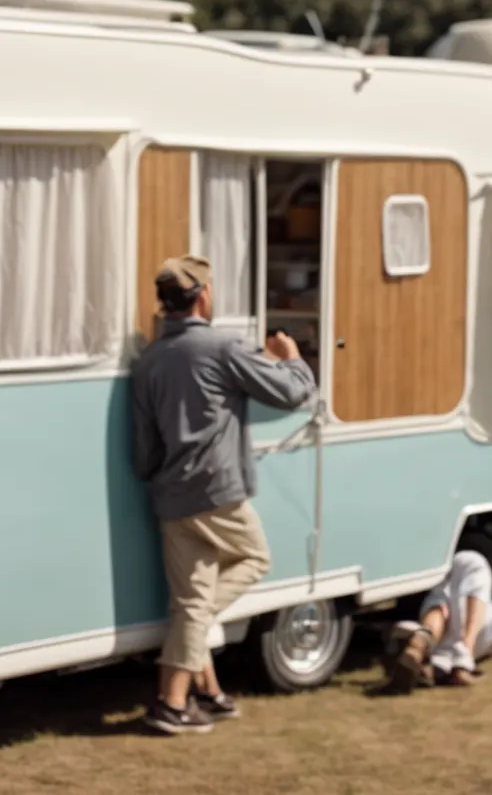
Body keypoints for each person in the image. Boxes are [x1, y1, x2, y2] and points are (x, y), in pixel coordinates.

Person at [130, 255, 316, 735]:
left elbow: (145, 444)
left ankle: (187, 699)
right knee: (254, 560)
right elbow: (293, 393)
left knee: (192, 600)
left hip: (170, 495)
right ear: (204, 296)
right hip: (217, 492)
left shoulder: (149, 359)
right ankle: (178, 696)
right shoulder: (222, 347)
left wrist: (157, 477)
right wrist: (290, 354)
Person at [383, 549, 492, 691]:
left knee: (440, 605)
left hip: (441, 634)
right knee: (448, 600)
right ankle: (438, 657)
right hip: (454, 648)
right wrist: (465, 659)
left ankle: (424, 640)